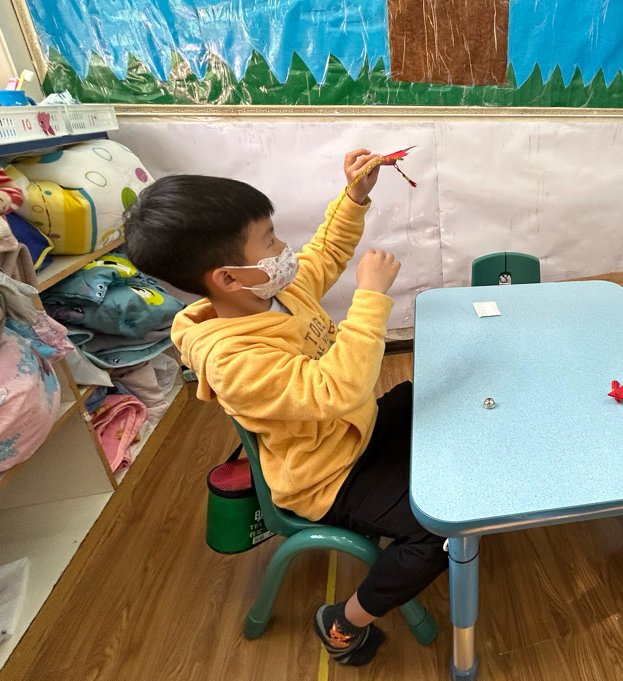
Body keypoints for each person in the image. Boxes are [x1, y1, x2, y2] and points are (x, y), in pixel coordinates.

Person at [123, 150, 447, 665]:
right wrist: (370, 300)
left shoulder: (273, 291)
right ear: (228, 278)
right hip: (327, 475)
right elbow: (334, 390)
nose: (284, 249)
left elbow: (325, 252)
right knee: (436, 532)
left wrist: (354, 196)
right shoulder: (233, 359)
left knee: (428, 392)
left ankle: (453, 483)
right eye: (270, 240)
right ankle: (345, 622)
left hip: (354, 431)